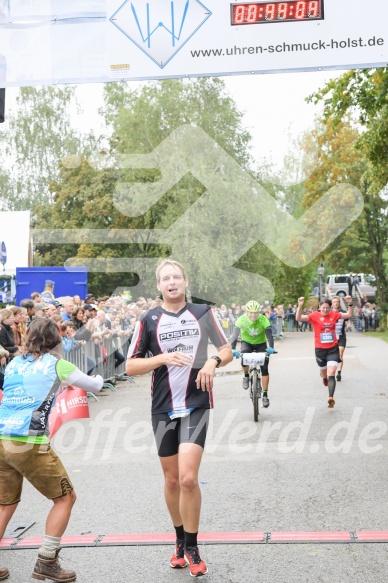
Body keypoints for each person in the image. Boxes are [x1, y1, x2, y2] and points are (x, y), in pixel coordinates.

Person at [126, 259, 232, 578]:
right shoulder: (148, 319)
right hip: (163, 406)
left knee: (188, 477)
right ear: (158, 286)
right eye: (165, 278)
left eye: (176, 277)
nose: (171, 282)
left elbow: (226, 349)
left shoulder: (202, 312)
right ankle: (179, 539)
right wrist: (161, 358)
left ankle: (193, 546)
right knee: (172, 480)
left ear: (186, 282)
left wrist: (213, 362)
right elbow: (131, 366)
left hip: (197, 401)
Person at [0, 318, 103, 581]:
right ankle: (47, 560)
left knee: (4, 505)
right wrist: (98, 375)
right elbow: (95, 385)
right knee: (65, 498)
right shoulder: (58, 364)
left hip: (2, 438)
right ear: (55, 340)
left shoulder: (13, 364)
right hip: (29, 442)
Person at [295, 296, 353, 408]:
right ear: (319, 308)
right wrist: (300, 305)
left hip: (332, 348)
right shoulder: (314, 316)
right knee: (324, 373)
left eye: (327, 308)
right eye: (323, 308)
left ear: (330, 308)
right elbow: (298, 318)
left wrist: (350, 304)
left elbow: (349, 315)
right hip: (320, 350)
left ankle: (330, 397)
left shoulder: (334, 315)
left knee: (331, 372)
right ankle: (324, 378)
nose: (325, 310)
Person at [228, 300, 275, 408]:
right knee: (243, 358)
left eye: (255, 312)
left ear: (258, 312)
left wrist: (271, 347)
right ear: (247, 312)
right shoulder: (241, 320)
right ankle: (246, 376)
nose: (253, 315)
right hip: (247, 343)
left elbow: (269, 335)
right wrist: (233, 349)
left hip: (261, 344)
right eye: (251, 312)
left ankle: (265, 395)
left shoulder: (263, 319)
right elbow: (234, 336)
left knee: (264, 367)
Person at [331, 296, 351, 382]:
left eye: (337, 301)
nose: (336, 303)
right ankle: (330, 370)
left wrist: (348, 324)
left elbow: (347, 319)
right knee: (331, 356)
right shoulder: (329, 313)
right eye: (334, 302)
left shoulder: (342, 312)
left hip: (341, 336)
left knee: (340, 353)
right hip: (331, 337)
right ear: (332, 304)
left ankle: (339, 372)